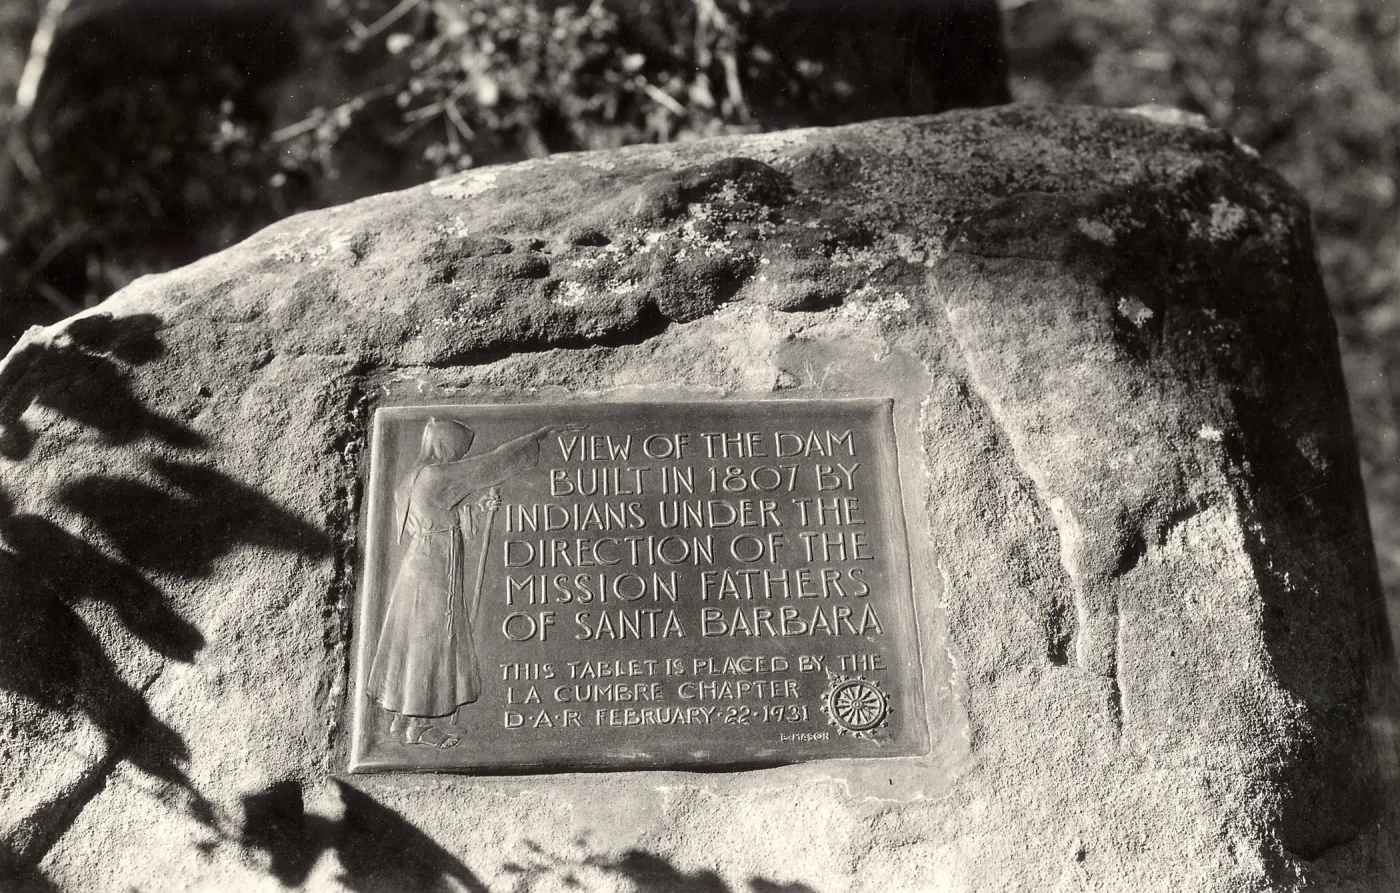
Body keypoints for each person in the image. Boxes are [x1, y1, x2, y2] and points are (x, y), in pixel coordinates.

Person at [367, 417, 581, 748]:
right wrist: (539, 432)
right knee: (431, 643)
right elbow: (490, 466)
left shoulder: (412, 479)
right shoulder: (436, 474)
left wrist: (478, 510)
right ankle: (420, 728)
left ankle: (401, 719)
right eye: (456, 450)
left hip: (421, 565)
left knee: (413, 641)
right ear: (442, 446)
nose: (458, 458)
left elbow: (435, 519)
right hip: (433, 572)